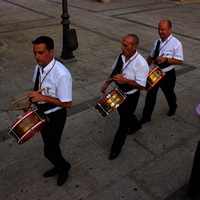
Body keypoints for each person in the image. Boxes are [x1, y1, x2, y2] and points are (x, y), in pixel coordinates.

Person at [22, 36, 72, 186]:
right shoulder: (39, 66)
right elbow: (37, 86)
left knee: (50, 150)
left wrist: (42, 97)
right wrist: (29, 101)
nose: (37, 57)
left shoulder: (61, 74)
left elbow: (67, 103)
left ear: (51, 52)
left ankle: (64, 167)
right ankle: (58, 165)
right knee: (49, 145)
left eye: (41, 52)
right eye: (35, 53)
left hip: (56, 115)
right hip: (41, 113)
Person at [100, 34, 149, 160]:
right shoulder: (121, 57)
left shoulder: (141, 64)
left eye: (125, 45)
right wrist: (106, 83)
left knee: (123, 123)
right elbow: (115, 71)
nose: (122, 48)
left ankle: (116, 148)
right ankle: (136, 125)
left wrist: (125, 80)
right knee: (124, 114)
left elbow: (141, 86)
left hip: (131, 95)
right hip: (118, 92)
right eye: (122, 44)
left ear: (134, 47)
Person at [139, 20, 184, 125]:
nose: (160, 31)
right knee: (150, 94)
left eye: (162, 29)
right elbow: (151, 55)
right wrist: (145, 68)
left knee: (169, 93)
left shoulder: (176, 44)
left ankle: (173, 106)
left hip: (168, 74)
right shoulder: (157, 42)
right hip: (155, 72)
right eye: (158, 29)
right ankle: (146, 116)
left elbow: (180, 61)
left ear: (169, 29)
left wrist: (166, 60)